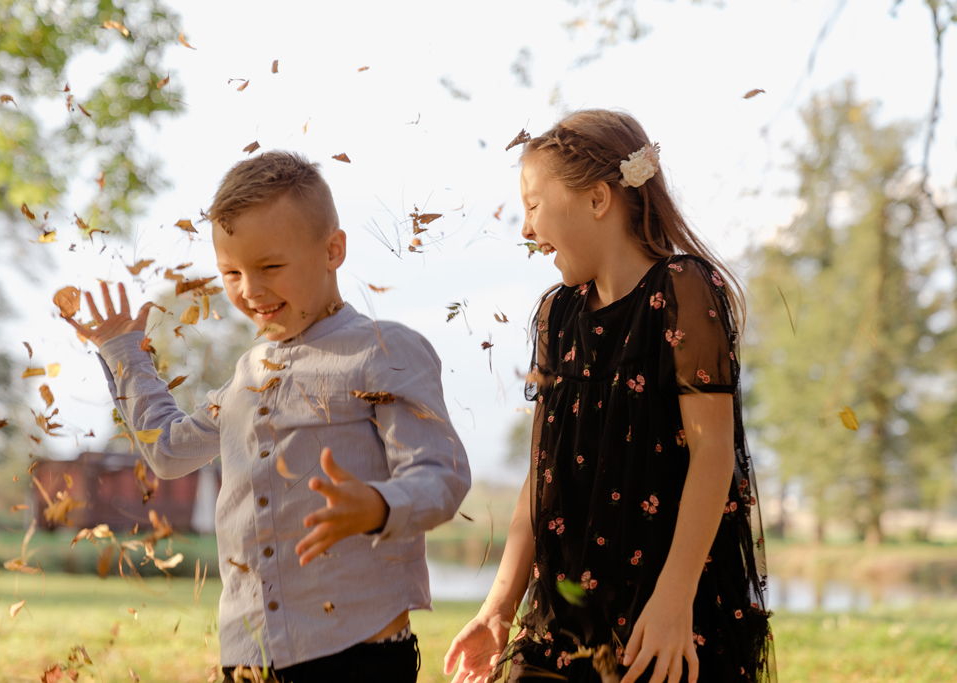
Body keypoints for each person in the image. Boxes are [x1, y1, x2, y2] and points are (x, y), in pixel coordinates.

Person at [61, 151, 471, 683]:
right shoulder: (248, 372)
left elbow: (442, 476)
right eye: (231, 272)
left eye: (270, 267)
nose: (250, 290)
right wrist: (125, 354)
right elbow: (167, 450)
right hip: (249, 654)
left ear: (333, 250)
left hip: (355, 654)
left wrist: (377, 503)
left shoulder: (383, 350)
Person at [444, 110, 774, 683]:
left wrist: (673, 601)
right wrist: (498, 607)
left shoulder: (685, 291)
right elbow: (540, 472)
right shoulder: (557, 313)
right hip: (563, 613)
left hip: (665, 607)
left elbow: (713, 454)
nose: (525, 229)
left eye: (533, 205)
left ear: (598, 199)